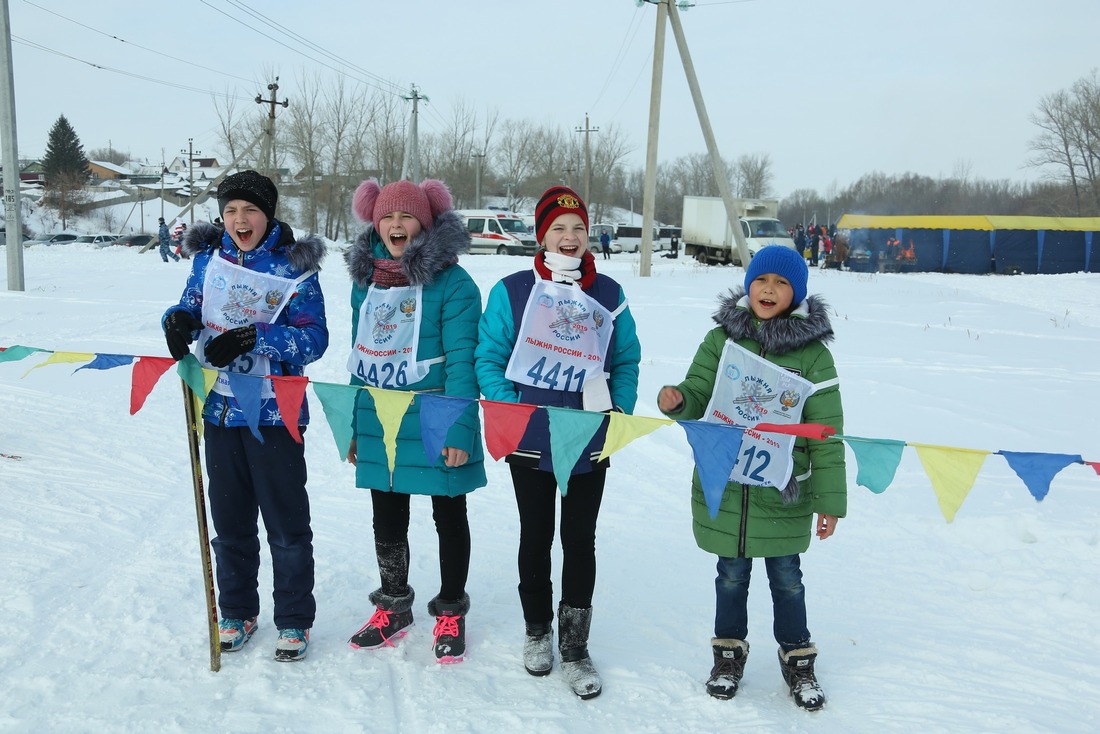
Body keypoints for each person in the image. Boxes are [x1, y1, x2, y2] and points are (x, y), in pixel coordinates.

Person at [656, 245, 846, 711]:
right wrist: (679, 400)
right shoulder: (722, 340)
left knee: (787, 579)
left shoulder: (813, 356)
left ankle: (798, 657)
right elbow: (699, 389)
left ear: (796, 294)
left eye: (782, 283)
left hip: (783, 492)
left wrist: (830, 499)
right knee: (730, 576)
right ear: (749, 285)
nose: (769, 289)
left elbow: (826, 432)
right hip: (729, 484)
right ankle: (728, 654)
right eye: (762, 280)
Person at [475, 185, 642, 700]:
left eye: (578, 228)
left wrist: (616, 413)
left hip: (589, 439)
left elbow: (627, 360)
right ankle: (536, 633)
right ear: (542, 234)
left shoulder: (609, 294)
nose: (569, 238)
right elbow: (489, 358)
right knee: (535, 536)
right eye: (558, 229)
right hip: (531, 439)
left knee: (579, 540)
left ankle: (574, 645)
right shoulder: (512, 290)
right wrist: (516, 412)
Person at [161, 170, 329, 662]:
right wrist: (178, 320)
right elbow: (191, 304)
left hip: (276, 415)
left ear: (268, 214)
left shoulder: (294, 268)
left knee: (286, 524)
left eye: (250, 210)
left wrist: (258, 336)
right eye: (231, 210)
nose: (240, 219)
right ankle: (236, 609)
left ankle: (294, 619)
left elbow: (315, 338)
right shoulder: (209, 259)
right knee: (230, 521)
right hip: (217, 408)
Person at [344, 178, 486, 665]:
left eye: (407, 216)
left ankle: (451, 609)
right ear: (375, 220)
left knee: (448, 514)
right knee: (387, 515)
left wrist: (461, 429)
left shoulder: (455, 284)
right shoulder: (363, 283)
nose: (396, 225)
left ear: (425, 223)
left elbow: (466, 359)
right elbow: (358, 354)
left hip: (436, 415)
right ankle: (394, 604)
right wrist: (354, 425)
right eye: (387, 216)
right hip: (380, 415)